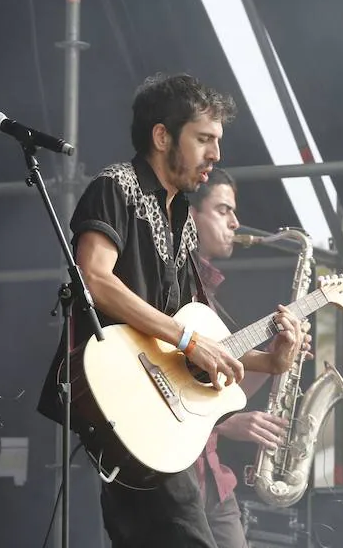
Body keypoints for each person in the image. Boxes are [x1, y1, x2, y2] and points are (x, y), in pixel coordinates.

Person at [37, 72, 305, 548]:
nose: (216, 154)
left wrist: (273, 360)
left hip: (159, 417)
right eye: (204, 139)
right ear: (162, 136)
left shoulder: (180, 219)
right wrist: (186, 339)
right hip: (125, 404)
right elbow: (95, 278)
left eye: (217, 141)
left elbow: (194, 349)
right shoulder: (115, 187)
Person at [189, 167, 309, 547]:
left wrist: (276, 360)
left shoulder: (208, 295)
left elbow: (223, 390)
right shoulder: (171, 290)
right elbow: (158, 391)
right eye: (223, 210)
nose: (236, 222)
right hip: (174, 479)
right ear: (192, 217)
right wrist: (225, 425)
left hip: (212, 477)